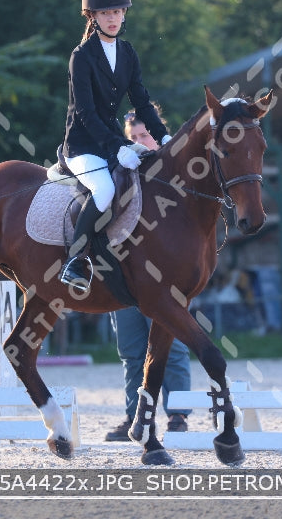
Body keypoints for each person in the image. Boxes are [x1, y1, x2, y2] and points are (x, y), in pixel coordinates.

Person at [58, 0, 171, 293]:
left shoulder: (128, 52)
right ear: (92, 16)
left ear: (124, 14)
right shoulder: (81, 56)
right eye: (105, 13)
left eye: (117, 12)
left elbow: (142, 102)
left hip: (112, 141)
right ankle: (76, 259)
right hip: (83, 145)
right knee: (105, 190)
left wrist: (163, 138)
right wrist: (117, 146)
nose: (112, 18)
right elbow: (85, 112)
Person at [105, 109, 192, 441]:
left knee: (174, 346)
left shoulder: (176, 177)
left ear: (156, 137)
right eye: (132, 138)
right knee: (131, 350)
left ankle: (178, 413)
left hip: (166, 277)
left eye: (144, 136)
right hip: (125, 276)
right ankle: (134, 416)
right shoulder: (118, 174)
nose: (139, 143)